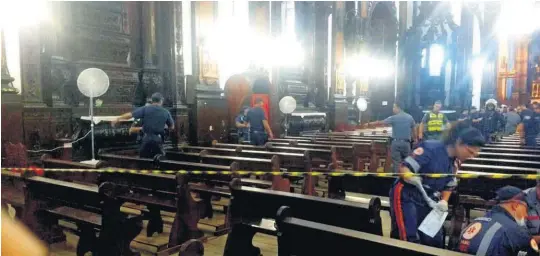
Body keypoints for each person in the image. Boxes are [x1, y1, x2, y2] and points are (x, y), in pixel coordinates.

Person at [389, 122, 484, 248]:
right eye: (470, 152)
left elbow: (449, 184)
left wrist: (444, 201)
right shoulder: (430, 148)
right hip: (407, 194)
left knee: (432, 237)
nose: (471, 157)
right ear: (459, 142)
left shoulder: (456, 162)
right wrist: (411, 177)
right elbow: (404, 168)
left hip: (429, 198)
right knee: (408, 236)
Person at [457, 186, 538, 256]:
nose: (526, 215)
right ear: (515, 205)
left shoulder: (475, 222)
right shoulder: (517, 232)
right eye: (525, 209)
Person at [112, 92, 174, 158]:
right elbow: (172, 127)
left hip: (146, 139)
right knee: (160, 159)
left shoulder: (145, 109)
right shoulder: (166, 112)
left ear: (152, 100)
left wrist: (118, 118)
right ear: (161, 100)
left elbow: (130, 115)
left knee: (143, 160)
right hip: (157, 139)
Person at [368, 103, 416, 173]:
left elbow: (380, 122)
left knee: (396, 163)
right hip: (406, 144)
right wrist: (415, 139)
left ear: (398, 108)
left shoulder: (393, 118)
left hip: (396, 143)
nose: (393, 109)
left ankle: (396, 179)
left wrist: (369, 124)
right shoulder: (410, 117)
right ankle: (406, 179)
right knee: (406, 163)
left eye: (394, 107)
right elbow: (414, 128)